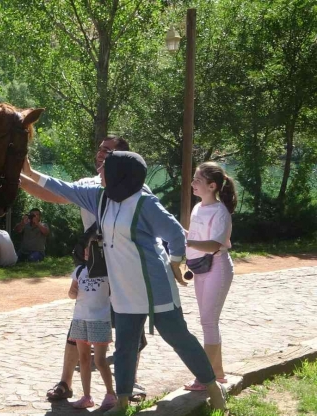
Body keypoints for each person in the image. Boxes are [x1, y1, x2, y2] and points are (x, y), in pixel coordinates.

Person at [22, 151, 227, 415]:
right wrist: (29, 171)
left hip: (155, 287)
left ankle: (213, 388)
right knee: (124, 347)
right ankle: (121, 402)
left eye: (105, 168)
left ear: (121, 173)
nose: (100, 173)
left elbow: (176, 233)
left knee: (179, 338)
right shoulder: (100, 197)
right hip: (123, 290)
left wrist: (175, 263)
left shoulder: (145, 203)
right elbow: (64, 188)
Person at [45, 136, 147, 402]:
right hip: (93, 265)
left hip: (125, 268)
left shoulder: (139, 189)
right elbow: (53, 193)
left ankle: (130, 384)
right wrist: (20, 175)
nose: (101, 153)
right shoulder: (89, 184)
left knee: (129, 328)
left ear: (124, 158)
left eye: (109, 150)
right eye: (100, 148)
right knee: (78, 326)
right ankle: (66, 383)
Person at [183, 162, 237, 390]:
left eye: (197, 179)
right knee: (207, 321)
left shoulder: (220, 212)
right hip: (200, 269)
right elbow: (194, 237)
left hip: (217, 268)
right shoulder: (198, 208)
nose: (193, 183)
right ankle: (218, 373)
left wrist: (186, 241)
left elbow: (215, 244)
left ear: (212, 185)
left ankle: (207, 378)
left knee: (208, 321)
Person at [67, 249, 117, 410]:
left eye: (93, 247)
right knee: (83, 359)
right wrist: (72, 292)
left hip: (100, 320)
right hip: (80, 318)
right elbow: (71, 293)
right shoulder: (80, 270)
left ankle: (111, 394)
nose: (88, 251)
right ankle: (87, 396)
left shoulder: (109, 271)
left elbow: (115, 294)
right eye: (87, 248)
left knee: (100, 360)